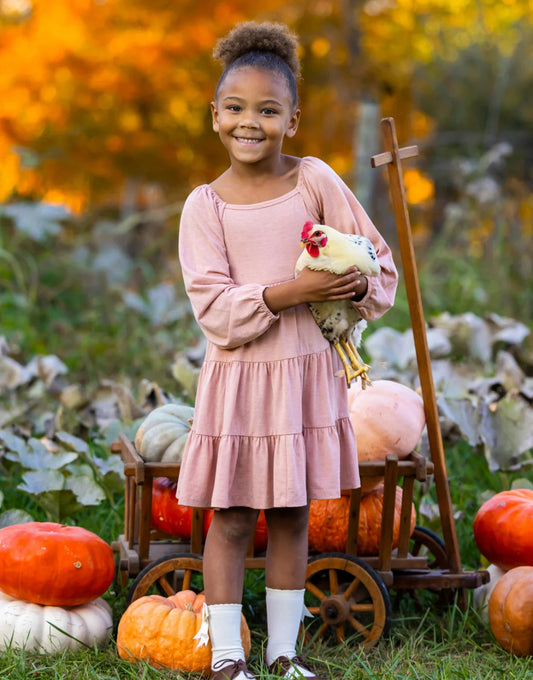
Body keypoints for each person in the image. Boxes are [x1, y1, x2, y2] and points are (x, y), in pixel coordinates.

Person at [177, 20, 398, 680]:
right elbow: (215, 309)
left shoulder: (315, 181)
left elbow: (375, 261)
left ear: (291, 120)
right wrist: (291, 290)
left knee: (294, 512)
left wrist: (355, 283)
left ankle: (282, 653)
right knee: (236, 517)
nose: (250, 123)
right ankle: (225, 657)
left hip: (305, 374)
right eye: (236, 109)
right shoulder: (204, 207)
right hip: (241, 380)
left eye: (267, 111)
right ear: (214, 115)